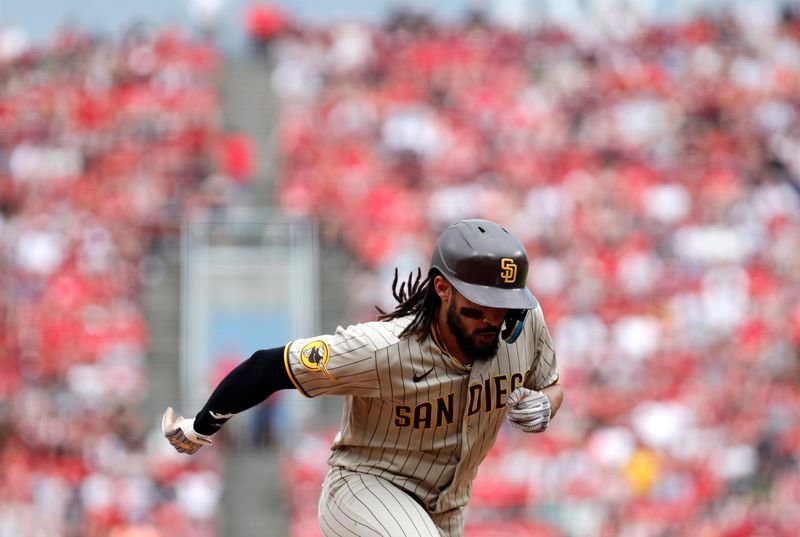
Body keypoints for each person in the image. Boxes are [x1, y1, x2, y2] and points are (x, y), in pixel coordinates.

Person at [162, 218, 564, 537]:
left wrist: (547, 402)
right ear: (442, 288)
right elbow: (271, 366)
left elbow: (551, 383)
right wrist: (200, 426)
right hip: (364, 488)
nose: (495, 318)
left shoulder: (525, 326)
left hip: (446, 507)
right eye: (482, 304)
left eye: (506, 304)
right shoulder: (383, 348)